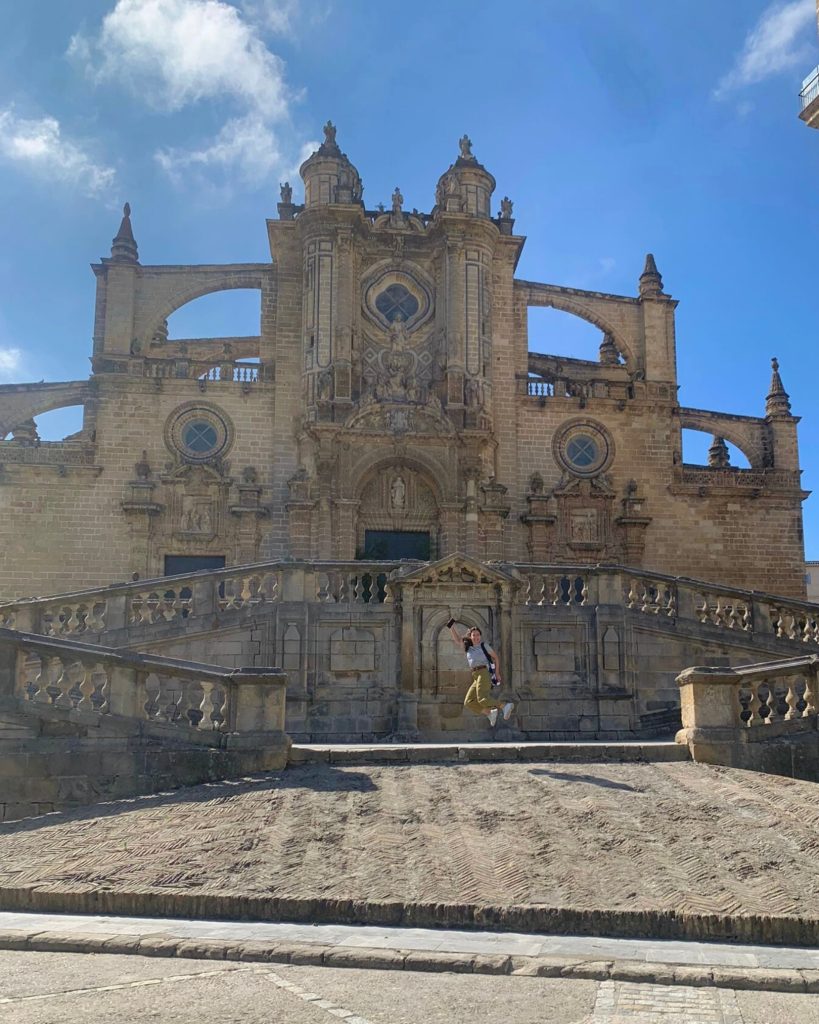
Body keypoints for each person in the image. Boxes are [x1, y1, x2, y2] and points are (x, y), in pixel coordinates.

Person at [447, 619, 514, 727]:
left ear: (480, 636)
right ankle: (489, 713)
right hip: (475, 676)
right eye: (474, 635)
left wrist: (497, 673)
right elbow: (458, 639)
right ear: (470, 636)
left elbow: (496, 657)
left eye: (478, 635)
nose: (476, 637)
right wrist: (451, 627)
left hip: (484, 672)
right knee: (468, 702)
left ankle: (504, 706)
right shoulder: (468, 647)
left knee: (482, 699)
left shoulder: (484, 646)